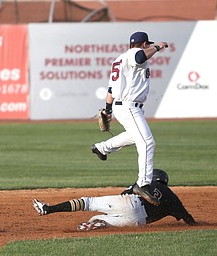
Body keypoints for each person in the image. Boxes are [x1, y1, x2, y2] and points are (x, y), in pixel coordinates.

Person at [91, 31, 168, 206]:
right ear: (143, 44)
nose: (149, 48)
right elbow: (140, 57)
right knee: (147, 142)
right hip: (129, 106)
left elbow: (111, 89)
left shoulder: (119, 59)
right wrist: (158, 46)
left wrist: (108, 109)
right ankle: (143, 184)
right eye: (148, 45)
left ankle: (102, 148)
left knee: (135, 136)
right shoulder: (135, 54)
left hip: (123, 106)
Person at [33, 169, 196, 231]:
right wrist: (195, 224)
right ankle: (100, 222)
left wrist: (113, 206)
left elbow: (124, 193)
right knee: (98, 220)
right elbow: (188, 219)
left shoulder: (146, 182)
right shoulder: (175, 199)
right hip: (138, 221)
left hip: (130, 202)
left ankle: (49, 209)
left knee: (88, 202)